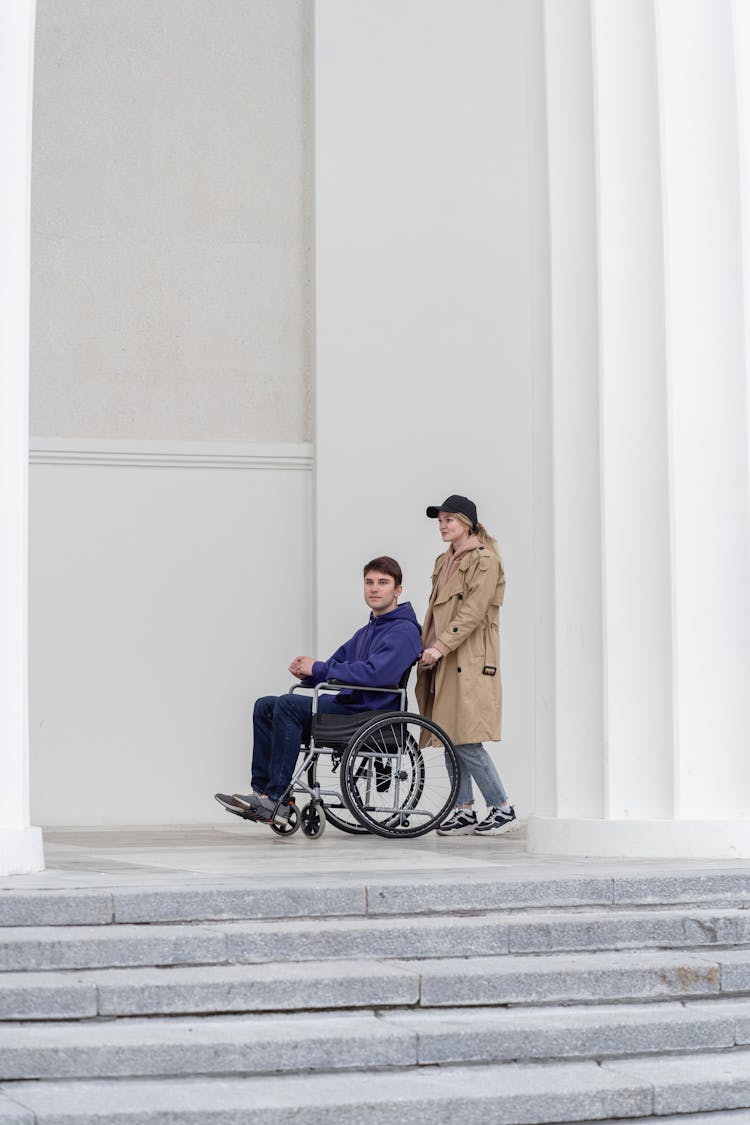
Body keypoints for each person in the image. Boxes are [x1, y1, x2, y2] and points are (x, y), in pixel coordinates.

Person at [215, 556, 422, 826]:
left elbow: (376, 675)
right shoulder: (368, 630)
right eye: (369, 582)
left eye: (383, 583)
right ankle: (263, 792)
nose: (374, 588)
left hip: (369, 713)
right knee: (265, 705)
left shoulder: (403, 631)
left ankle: (276, 798)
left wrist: (319, 670)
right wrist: (309, 673)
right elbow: (334, 665)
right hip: (351, 705)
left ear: (397, 590)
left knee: (288, 704)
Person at [415, 495, 516, 836]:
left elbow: (472, 611)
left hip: (470, 659)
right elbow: (435, 614)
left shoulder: (485, 561)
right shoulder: (443, 561)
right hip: (445, 658)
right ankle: (463, 809)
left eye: (449, 520)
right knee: (449, 734)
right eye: (440, 520)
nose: (443, 526)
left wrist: (439, 647)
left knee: (468, 737)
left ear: (467, 523)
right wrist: (426, 648)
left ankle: (502, 808)